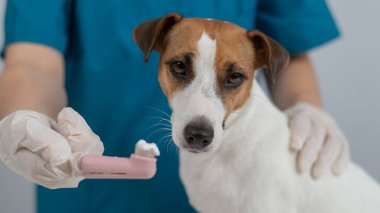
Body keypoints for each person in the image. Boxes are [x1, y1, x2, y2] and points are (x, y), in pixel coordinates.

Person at [0, 1, 349, 212]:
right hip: (93, 193)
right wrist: (25, 120)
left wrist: (307, 107)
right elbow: (31, 60)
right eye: (180, 68)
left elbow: (290, 52)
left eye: (231, 79)